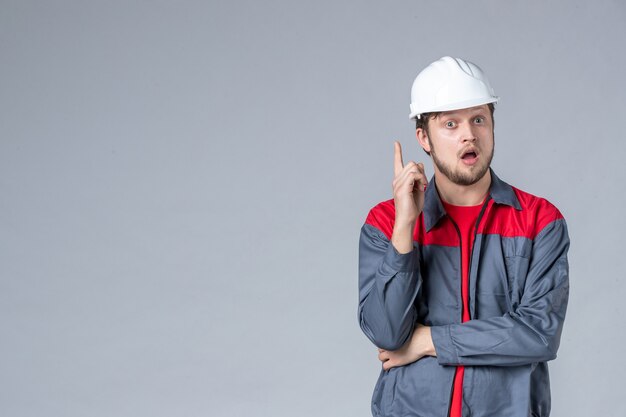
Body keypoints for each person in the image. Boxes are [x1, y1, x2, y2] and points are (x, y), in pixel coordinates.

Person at [357, 56, 569, 417]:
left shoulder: (539, 221)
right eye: (451, 124)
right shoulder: (386, 222)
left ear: (492, 126)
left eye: (479, 119)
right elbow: (387, 334)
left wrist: (429, 340)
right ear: (423, 138)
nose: (469, 133)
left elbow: (538, 333)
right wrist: (405, 227)